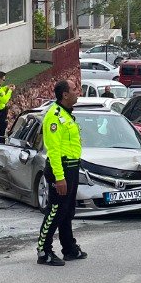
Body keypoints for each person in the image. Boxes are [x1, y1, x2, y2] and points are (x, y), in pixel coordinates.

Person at [37, 80, 87, 266]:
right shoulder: (54, 116)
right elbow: (54, 150)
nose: (77, 92)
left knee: (67, 211)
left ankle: (69, 248)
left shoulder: (67, 115)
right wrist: (60, 178)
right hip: (61, 169)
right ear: (65, 95)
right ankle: (44, 251)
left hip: (72, 167)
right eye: (74, 89)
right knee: (55, 211)